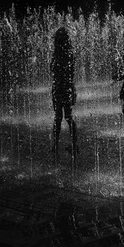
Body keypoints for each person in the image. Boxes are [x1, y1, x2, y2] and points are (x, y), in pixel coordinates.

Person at [51, 27, 78, 164]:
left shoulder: (60, 54)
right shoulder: (67, 53)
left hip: (60, 88)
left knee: (60, 117)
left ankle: (56, 144)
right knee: (66, 117)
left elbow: (55, 71)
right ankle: (73, 144)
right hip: (64, 88)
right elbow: (70, 74)